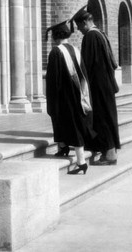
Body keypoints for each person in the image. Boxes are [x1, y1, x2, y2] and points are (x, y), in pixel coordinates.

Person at [45, 19, 96, 175]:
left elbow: (54, 79)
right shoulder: (75, 49)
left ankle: (80, 162)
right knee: (74, 123)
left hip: (65, 96)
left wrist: (52, 99)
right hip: (79, 93)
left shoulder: (56, 51)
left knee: (64, 120)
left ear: (55, 35)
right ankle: (64, 148)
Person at [72, 5, 120, 165]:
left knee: (102, 118)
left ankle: (110, 154)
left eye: (79, 26)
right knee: (107, 116)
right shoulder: (101, 34)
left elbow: (87, 65)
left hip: (98, 86)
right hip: (106, 83)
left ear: (86, 22)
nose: (79, 30)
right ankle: (107, 150)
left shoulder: (91, 37)